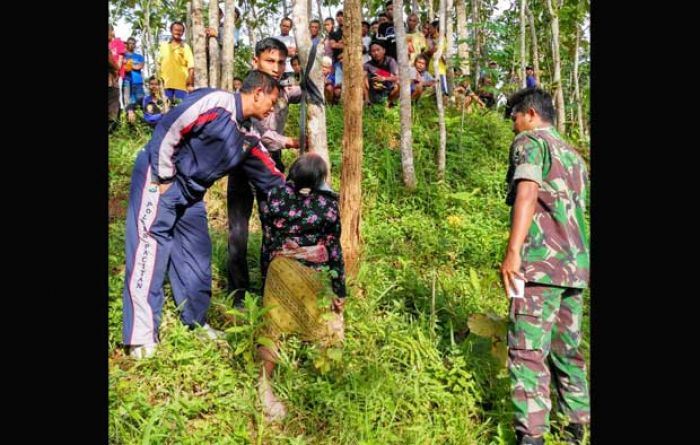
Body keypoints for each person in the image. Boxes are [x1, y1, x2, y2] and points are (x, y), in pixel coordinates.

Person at [121, 71, 285, 359]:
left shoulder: (248, 135)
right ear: (258, 92)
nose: (273, 108)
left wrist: (307, 197)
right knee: (150, 248)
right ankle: (140, 337)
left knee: (196, 256)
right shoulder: (215, 102)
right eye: (272, 101)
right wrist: (163, 176)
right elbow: (171, 126)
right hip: (161, 178)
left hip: (192, 193)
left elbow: (271, 176)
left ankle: (194, 323)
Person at [501, 88, 590, 445]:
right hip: (575, 268)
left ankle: (532, 436)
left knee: (527, 350)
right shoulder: (574, 156)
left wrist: (513, 251)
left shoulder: (531, 142)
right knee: (567, 349)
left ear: (531, 115)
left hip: (541, 265)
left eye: (515, 116)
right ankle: (575, 427)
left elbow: (527, 193)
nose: (513, 124)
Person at [256, 153, 346, 421]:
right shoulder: (327, 205)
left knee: (271, 328)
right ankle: (324, 382)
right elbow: (333, 248)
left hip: (280, 268)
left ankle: (264, 384)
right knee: (328, 325)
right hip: (315, 273)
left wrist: (266, 277)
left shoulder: (275, 198)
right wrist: (340, 290)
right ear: (321, 180)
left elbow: (268, 240)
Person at [226, 37, 302, 308]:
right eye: (270, 60)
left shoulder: (284, 90)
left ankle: (271, 285)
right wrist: (292, 141)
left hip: (273, 164)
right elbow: (260, 134)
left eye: (281, 62)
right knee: (238, 229)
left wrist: (323, 80)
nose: (276, 67)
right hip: (243, 162)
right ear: (255, 60)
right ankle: (238, 293)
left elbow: (308, 90)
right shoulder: (251, 89)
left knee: (273, 224)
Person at [158, 21, 195, 104]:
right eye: (175, 30)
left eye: (180, 30)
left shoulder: (185, 47)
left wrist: (189, 84)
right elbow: (158, 64)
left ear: (183, 32)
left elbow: (191, 67)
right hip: (165, 85)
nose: (178, 32)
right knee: (166, 110)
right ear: (171, 31)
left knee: (181, 110)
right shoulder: (164, 45)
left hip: (181, 86)